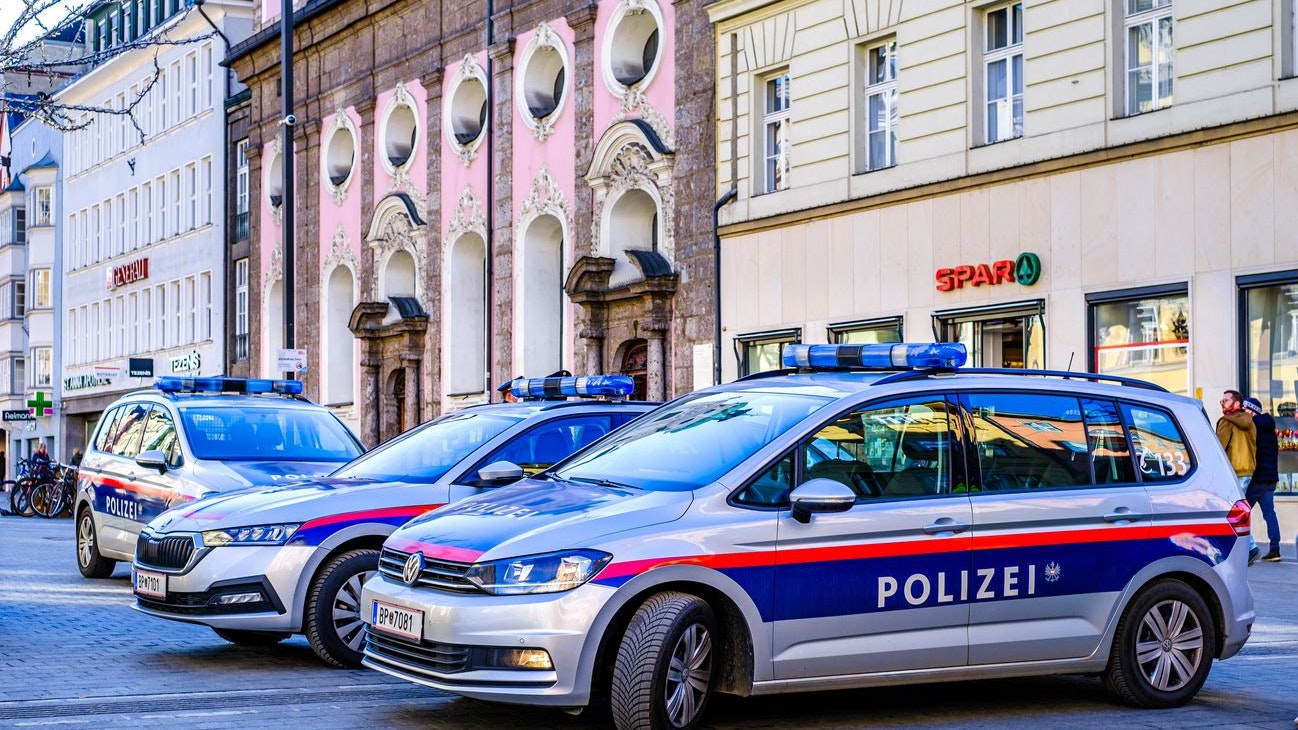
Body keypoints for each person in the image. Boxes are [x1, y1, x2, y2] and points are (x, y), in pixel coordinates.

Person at [1216, 390, 1259, 565]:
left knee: (1228, 512)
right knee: (1236, 511)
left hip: (1232, 472)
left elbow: (1218, 449)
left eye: (1226, 400)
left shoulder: (1226, 422)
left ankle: (1250, 547)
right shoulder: (1250, 422)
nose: (1222, 403)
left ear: (1236, 403)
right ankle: (1247, 548)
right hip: (1247, 471)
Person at [1243, 397, 1283, 562]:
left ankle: (1247, 548)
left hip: (1257, 478)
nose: (1243, 413)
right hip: (1270, 478)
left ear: (1252, 411)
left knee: (1240, 513)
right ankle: (1275, 549)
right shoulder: (1269, 428)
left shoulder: (1252, 427)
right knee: (1269, 513)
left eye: (1245, 409)